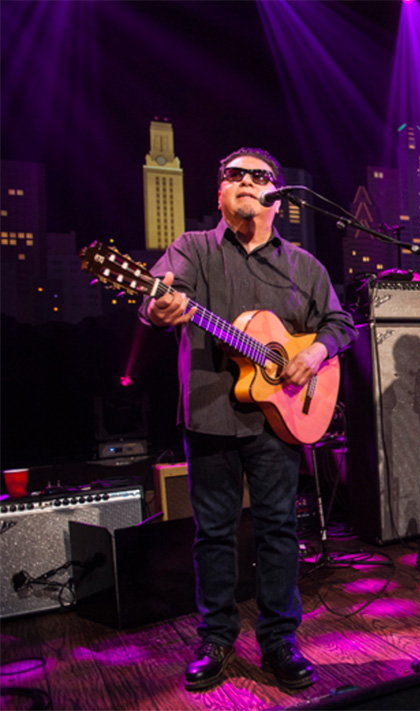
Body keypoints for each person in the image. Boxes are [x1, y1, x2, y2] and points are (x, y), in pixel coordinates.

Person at [139, 148, 355, 691]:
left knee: (280, 530)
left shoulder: (303, 265)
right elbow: (162, 296)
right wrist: (157, 307)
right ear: (219, 192)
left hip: (279, 420)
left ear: (276, 197)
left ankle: (280, 640)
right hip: (211, 413)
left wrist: (315, 353)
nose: (244, 182)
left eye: (257, 176)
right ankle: (216, 638)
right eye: (232, 175)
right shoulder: (192, 249)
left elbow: (340, 322)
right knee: (213, 533)